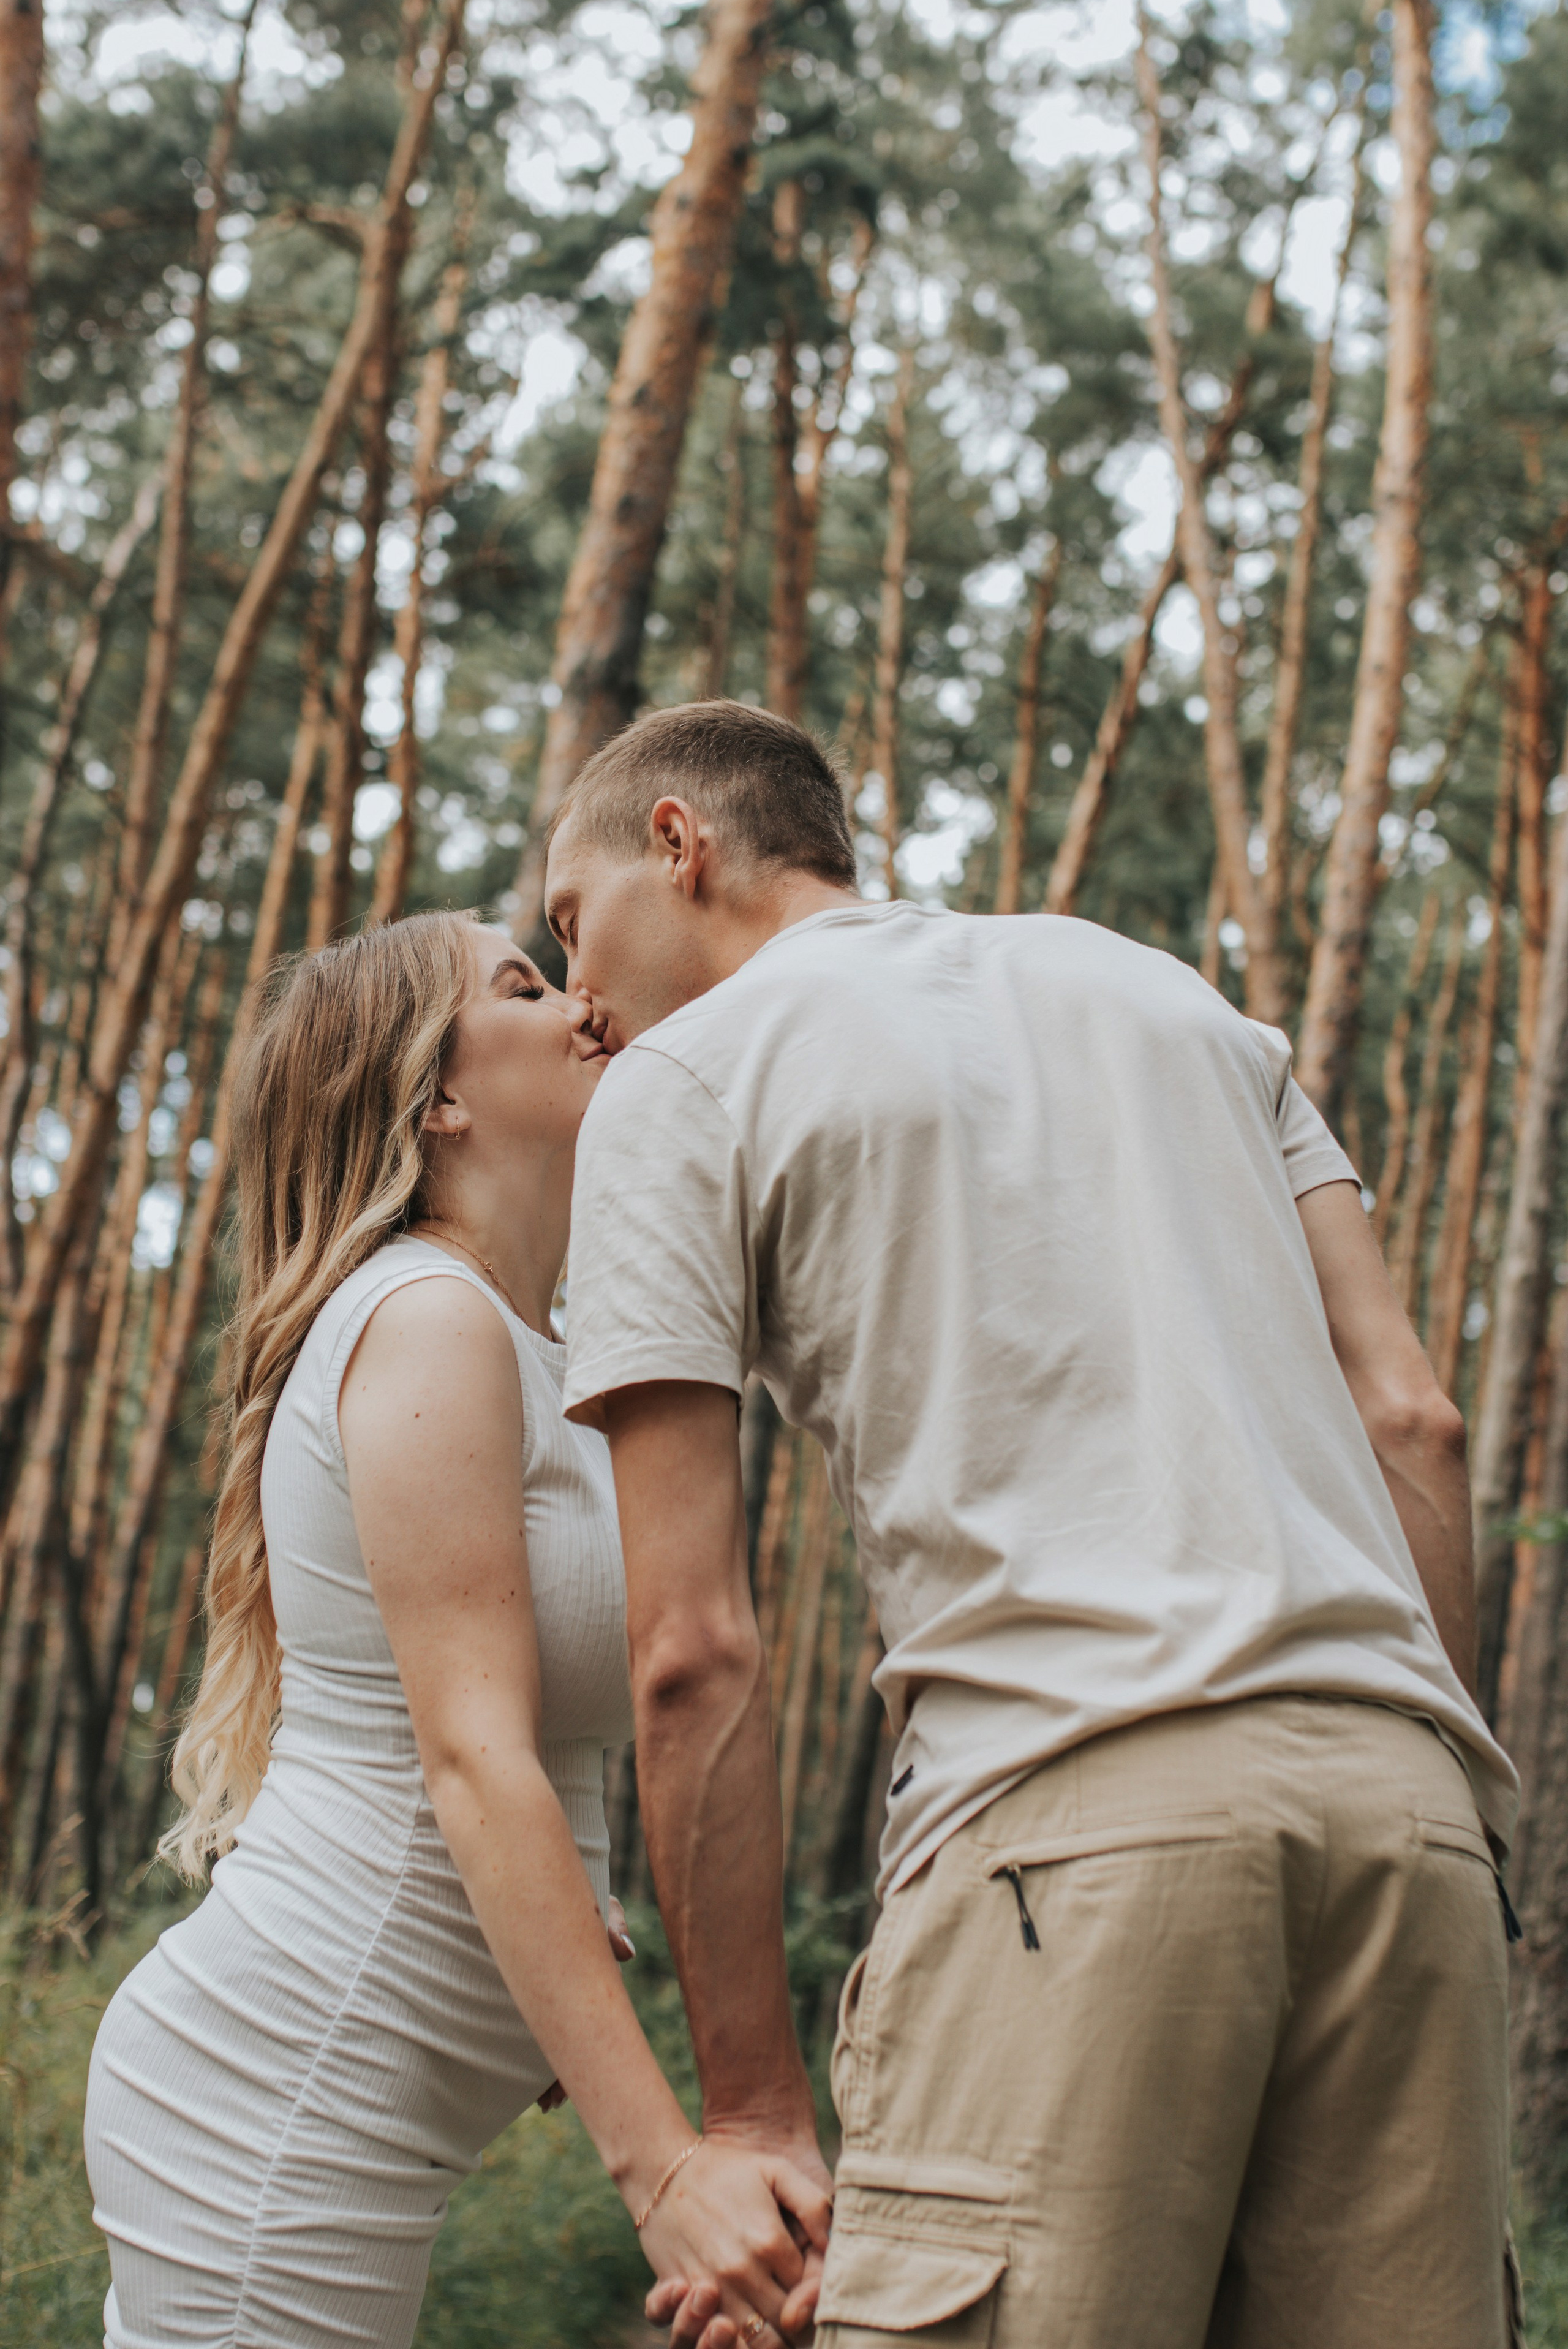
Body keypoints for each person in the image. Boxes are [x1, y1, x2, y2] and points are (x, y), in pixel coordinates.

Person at [545, 701, 1523, 2349]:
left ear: (677, 843)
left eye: (573, 930)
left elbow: (693, 1650)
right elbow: (1412, 1421)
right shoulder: (1181, 1004)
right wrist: (1450, 1807)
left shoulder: (686, 1081)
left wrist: (759, 2118)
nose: (577, 1001)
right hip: (1410, 1820)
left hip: (1070, 1829)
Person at [84, 912, 828, 2349]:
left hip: (338, 2101)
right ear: (437, 1095)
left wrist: (569, 1921)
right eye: (525, 985)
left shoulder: (531, 1344)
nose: (584, 1003)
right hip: (271, 2102)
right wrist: (664, 2169)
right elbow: (473, 1760)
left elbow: (554, 1729)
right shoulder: (427, 1321)